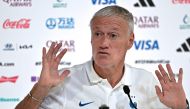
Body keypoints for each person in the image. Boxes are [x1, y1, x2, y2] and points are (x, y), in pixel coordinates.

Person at [15, 5, 188, 109]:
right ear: (91, 38)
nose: (103, 43)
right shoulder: (65, 80)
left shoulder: (147, 81)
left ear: (130, 40)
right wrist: (41, 87)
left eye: (113, 35)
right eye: (98, 34)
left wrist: (181, 108)